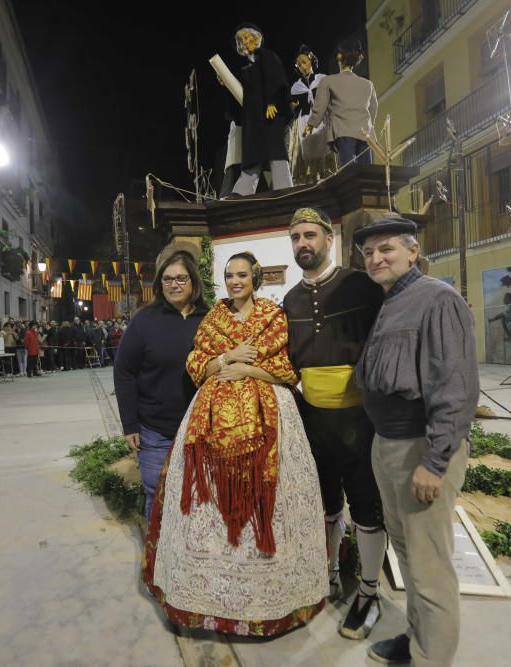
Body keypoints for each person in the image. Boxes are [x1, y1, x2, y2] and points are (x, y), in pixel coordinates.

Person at [143, 251, 328, 637]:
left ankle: (269, 603)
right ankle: (210, 600)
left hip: (269, 421)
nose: (234, 281)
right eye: (229, 275)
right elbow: (197, 362)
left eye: (242, 275)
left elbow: (285, 368)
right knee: (205, 506)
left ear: (255, 277)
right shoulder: (214, 318)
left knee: (272, 502)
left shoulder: (273, 317)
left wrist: (244, 368)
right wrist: (226, 356)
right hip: (209, 422)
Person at [352, 215, 479, 667]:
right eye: (368, 253)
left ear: (412, 252)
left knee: (429, 566)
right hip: (388, 445)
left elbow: (456, 387)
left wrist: (436, 459)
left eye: (386, 249)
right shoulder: (392, 301)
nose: (375, 258)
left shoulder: (437, 299)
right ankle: (417, 639)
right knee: (407, 556)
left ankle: (432, 658)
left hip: (419, 449)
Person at [283, 207, 387, 640]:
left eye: (310, 235)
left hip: (360, 418)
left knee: (366, 504)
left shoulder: (361, 285)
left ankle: (369, 592)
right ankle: (326, 574)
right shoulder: (288, 301)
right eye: (295, 238)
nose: (302, 244)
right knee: (325, 502)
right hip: (313, 420)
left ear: (329, 237)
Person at [114, 250, 209, 519]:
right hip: (155, 431)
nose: (174, 284)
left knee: (197, 497)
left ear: (193, 282)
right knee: (157, 496)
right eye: (167, 279)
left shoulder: (209, 320)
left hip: (199, 429)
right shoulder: (144, 320)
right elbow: (124, 371)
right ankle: (155, 560)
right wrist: (130, 424)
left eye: (181, 278)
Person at [228, 23, 294, 196]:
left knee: (276, 157)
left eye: (247, 37)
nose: (244, 42)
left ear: (256, 38)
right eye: (241, 40)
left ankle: (285, 193)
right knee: (252, 160)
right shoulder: (247, 70)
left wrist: (272, 102)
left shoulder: (267, 57)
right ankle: (241, 194)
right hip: (255, 122)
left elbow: (276, 78)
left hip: (270, 117)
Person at [304, 40, 378, 168]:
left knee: (348, 173)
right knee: (367, 174)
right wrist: (368, 125)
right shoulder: (368, 84)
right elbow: (373, 109)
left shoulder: (328, 82)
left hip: (343, 131)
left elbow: (319, 107)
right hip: (366, 134)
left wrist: (311, 125)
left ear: (339, 56)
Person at [288, 45, 331, 184]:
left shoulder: (322, 79)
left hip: (320, 120)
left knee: (323, 152)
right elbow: (292, 107)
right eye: (299, 64)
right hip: (303, 122)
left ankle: (325, 179)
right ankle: (309, 183)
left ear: (311, 61)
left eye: (304, 62)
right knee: (306, 155)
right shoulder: (296, 87)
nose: (302, 66)